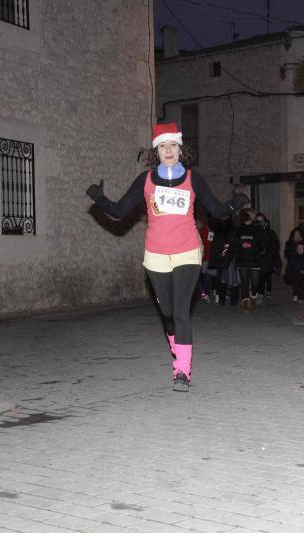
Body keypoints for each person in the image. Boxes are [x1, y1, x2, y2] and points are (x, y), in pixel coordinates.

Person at [85, 122, 249, 392]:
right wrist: (99, 199)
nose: (169, 150)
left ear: (180, 149)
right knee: (168, 312)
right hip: (156, 254)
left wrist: (235, 204)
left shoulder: (192, 179)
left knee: (182, 310)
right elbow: (118, 211)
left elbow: (218, 211)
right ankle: (177, 344)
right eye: (163, 146)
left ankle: (182, 370)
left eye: (173, 145)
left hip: (187, 251)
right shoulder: (146, 181)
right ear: (156, 151)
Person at [227, 207, 265, 312]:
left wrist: (252, 246)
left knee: (255, 283)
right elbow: (233, 243)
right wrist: (241, 244)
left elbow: (262, 244)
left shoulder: (258, 229)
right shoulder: (238, 229)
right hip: (242, 259)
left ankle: (253, 296)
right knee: (244, 282)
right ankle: (246, 304)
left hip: (254, 259)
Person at [255, 212, 280, 301]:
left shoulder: (271, 232)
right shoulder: (255, 232)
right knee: (259, 277)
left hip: (267, 259)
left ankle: (263, 292)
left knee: (265, 275)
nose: (260, 223)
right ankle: (259, 292)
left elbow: (275, 246)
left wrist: (269, 251)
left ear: (265, 222)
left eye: (261, 221)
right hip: (257, 258)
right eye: (258, 221)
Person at [284, 227, 304, 301]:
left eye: (298, 234)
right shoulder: (289, 243)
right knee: (294, 282)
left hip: (303, 266)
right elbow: (287, 253)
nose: (297, 235)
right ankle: (295, 294)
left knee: (302, 283)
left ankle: (301, 296)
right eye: (295, 234)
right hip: (293, 266)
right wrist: (296, 249)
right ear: (293, 235)